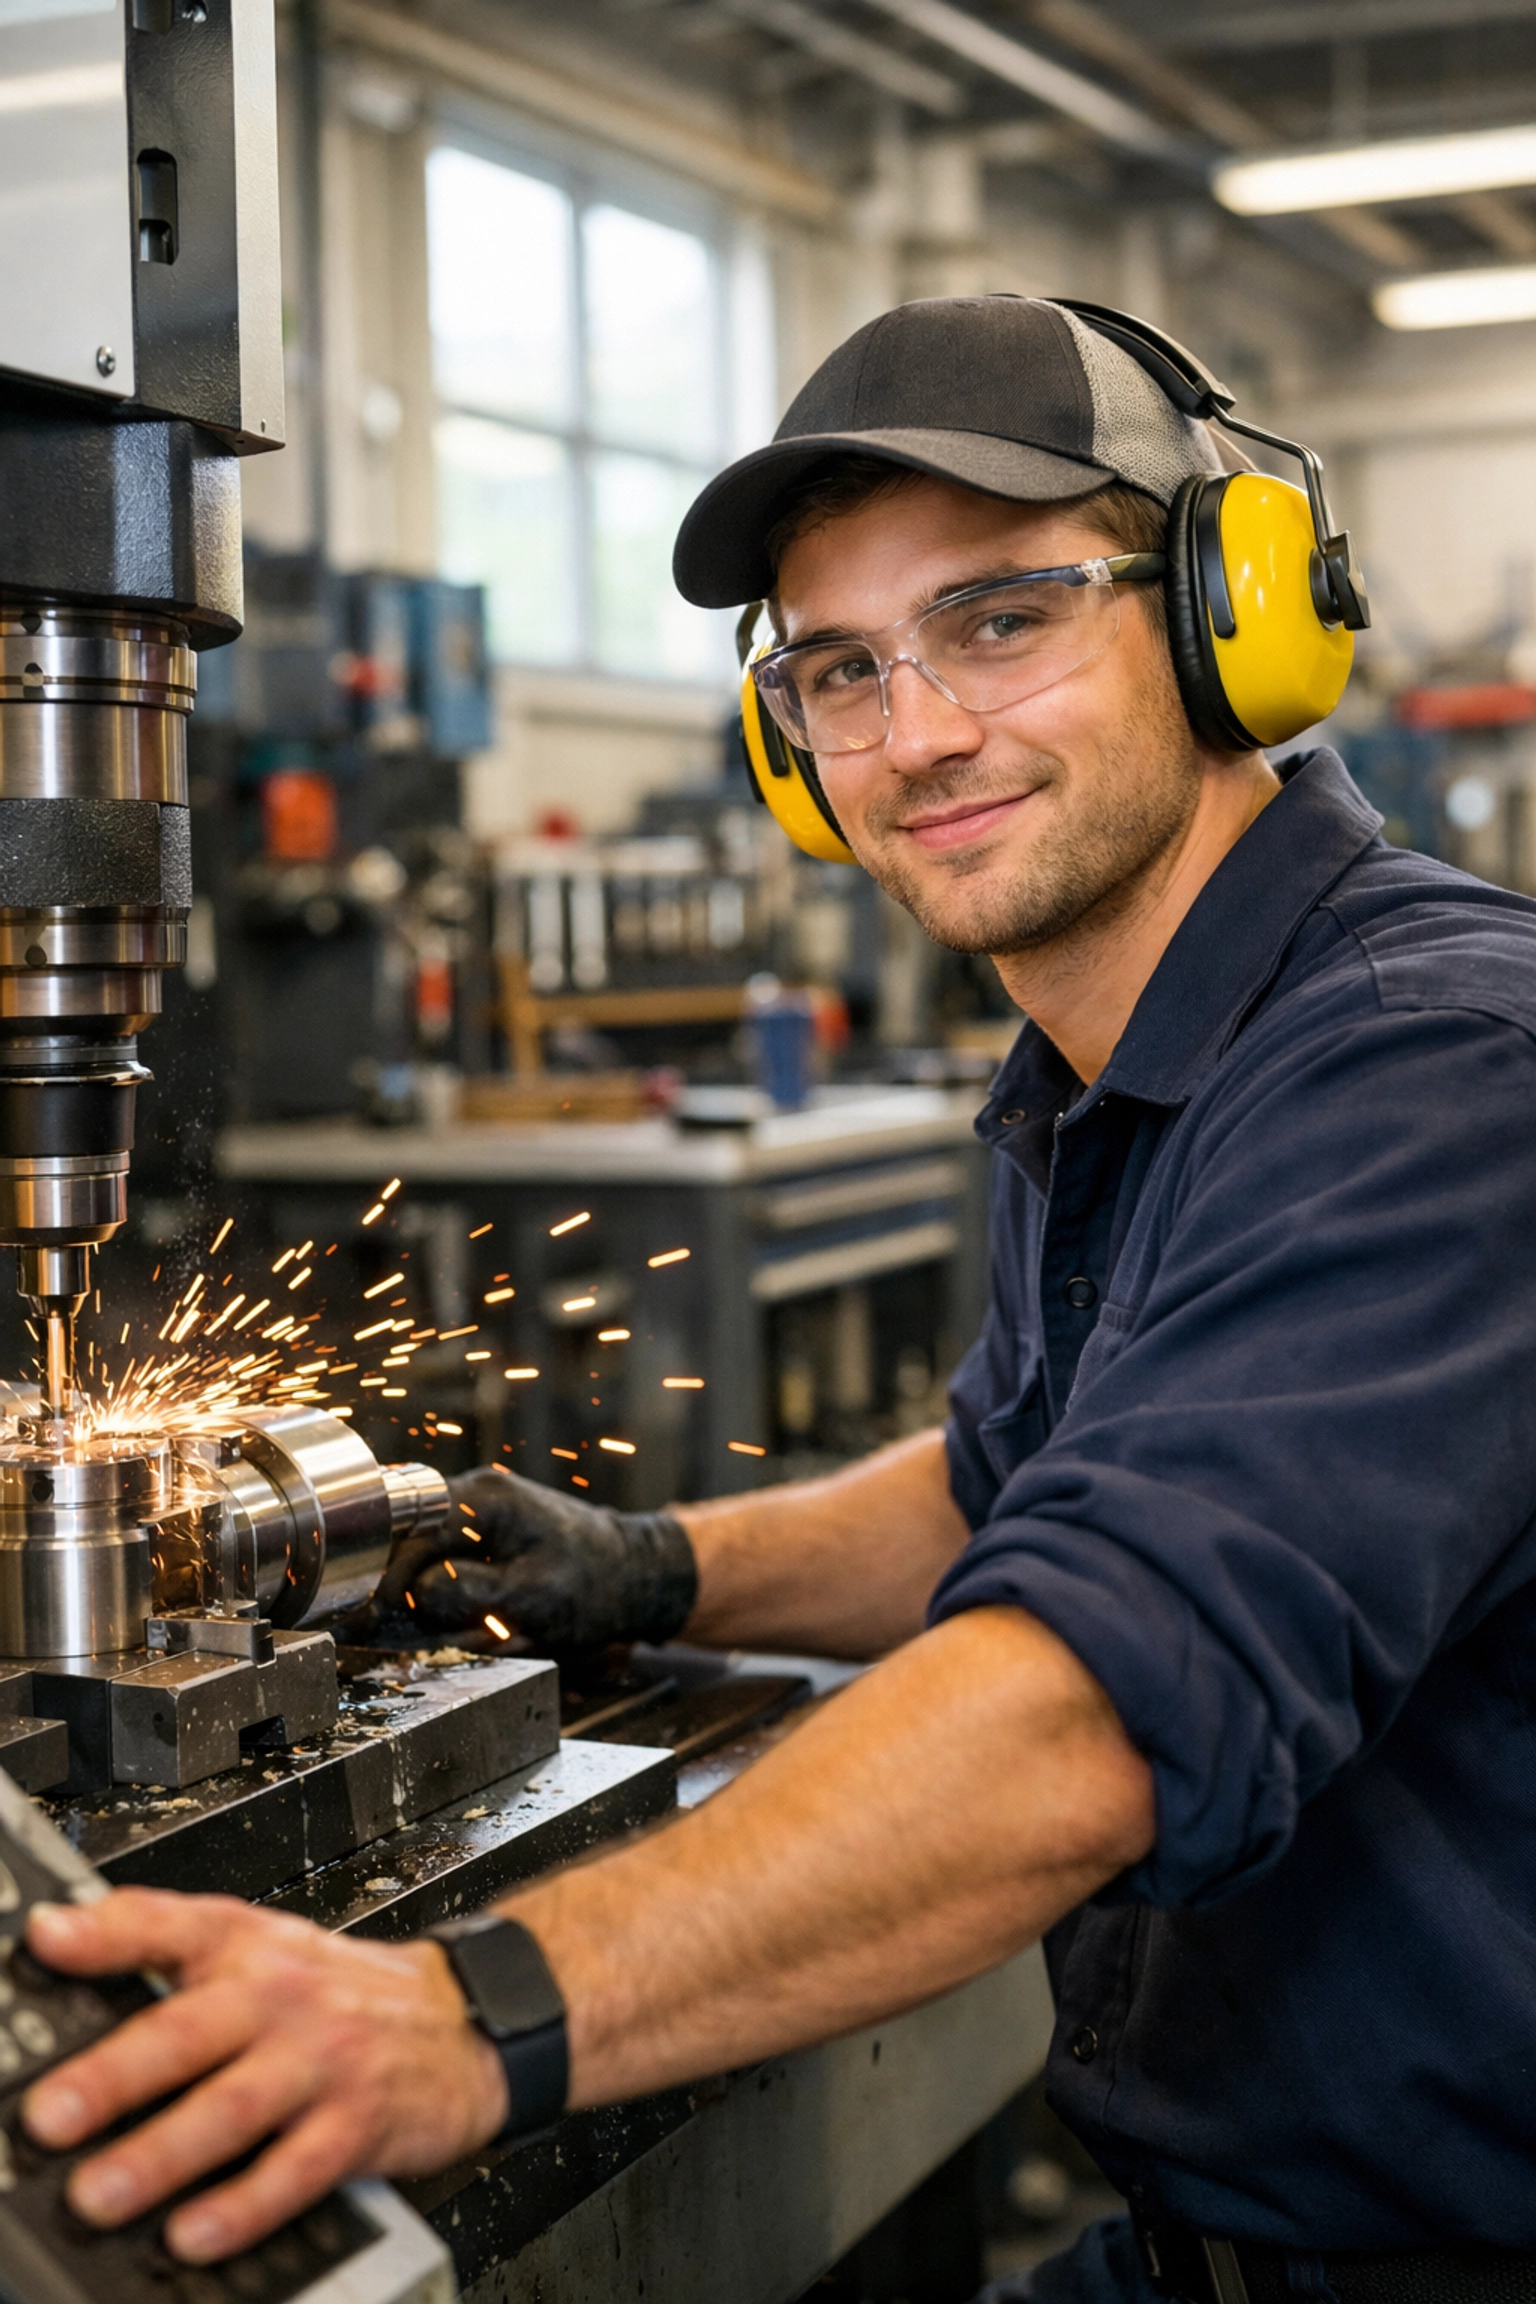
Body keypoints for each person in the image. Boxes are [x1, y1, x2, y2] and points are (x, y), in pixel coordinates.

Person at [22, 296, 1536, 2304]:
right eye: (841, 670)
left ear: (1228, 612)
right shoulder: (1121, 1077)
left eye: (1004, 618)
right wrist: (649, 1567)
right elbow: (1008, 1501)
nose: (916, 734)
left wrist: (461, 2021)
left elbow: (1096, 1711)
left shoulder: (1434, 1075)